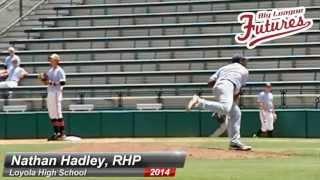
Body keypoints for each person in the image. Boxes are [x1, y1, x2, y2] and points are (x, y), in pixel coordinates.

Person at [187, 54, 251, 151]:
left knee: (236, 113)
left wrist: (222, 82)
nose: (246, 62)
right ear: (240, 61)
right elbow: (240, 90)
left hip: (218, 87)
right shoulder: (244, 70)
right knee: (226, 108)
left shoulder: (223, 68)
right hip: (228, 85)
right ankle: (199, 101)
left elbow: (210, 82)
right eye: (244, 60)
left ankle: (235, 142)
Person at [38, 54, 66, 141]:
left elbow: (63, 82)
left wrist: (51, 82)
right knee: (52, 113)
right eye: (50, 59)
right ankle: (55, 132)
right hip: (50, 92)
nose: (50, 61)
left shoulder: (60, 70)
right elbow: (47, 82)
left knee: (57, 112)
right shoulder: (50, 70)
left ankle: (61, 133)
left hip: (56, 92)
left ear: (57, 60)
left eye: (52, 59)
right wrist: (44, 80)